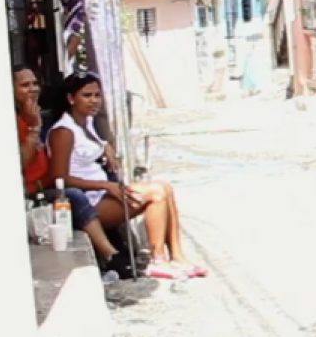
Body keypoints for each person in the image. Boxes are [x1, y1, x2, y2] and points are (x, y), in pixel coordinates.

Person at [48, 73, 202, 279]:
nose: (94, 100)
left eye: (97, 95)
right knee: (156, 193)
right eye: (87, 95)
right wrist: (105, 185)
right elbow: (59, 177)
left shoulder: (87, 124)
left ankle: (178, 256)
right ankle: (158, 259)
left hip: (103, 192)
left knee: (164, 187)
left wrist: (105, 147)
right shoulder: (63, 131)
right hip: (89, 201)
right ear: (71, 98)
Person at [16, 66, 122, 272]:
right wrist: (33, 130)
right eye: (24, 85)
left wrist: (105, 146)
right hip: (33, 191)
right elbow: (20, 163)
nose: (32, 89)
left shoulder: (41, 115)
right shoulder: (17, 122)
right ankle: (111, 254)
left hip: (49, 184)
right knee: (73, 195)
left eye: (35, 84)